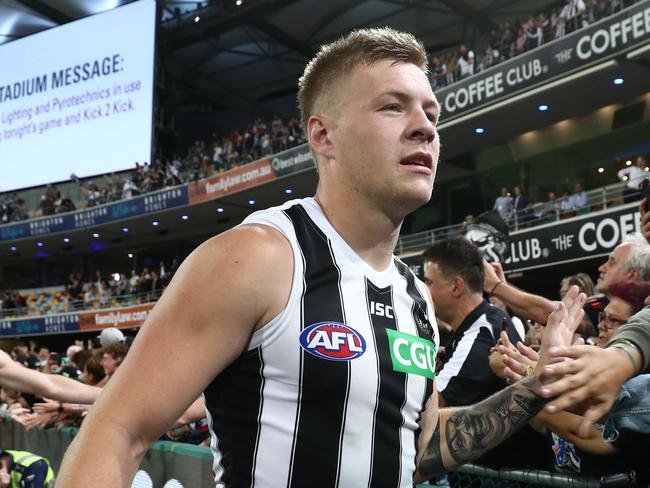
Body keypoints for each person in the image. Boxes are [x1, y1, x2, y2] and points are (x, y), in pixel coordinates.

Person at [57, 28, 587, 487]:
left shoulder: (415, 298)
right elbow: (116, 430)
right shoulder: (259, 257)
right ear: (323, 134)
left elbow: (419, 450)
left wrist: (534, 388)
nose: (426, 126)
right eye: (392, 105)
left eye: (431, 112)